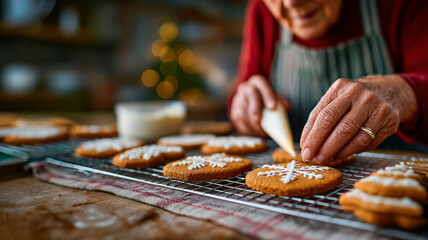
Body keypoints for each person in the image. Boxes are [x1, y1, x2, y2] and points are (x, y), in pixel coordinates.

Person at [229, 0, 428, 164]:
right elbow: (241, 94)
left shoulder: (398, 6)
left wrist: (403, 93)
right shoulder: (262, 11)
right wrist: (245, 108)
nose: (291, 3)